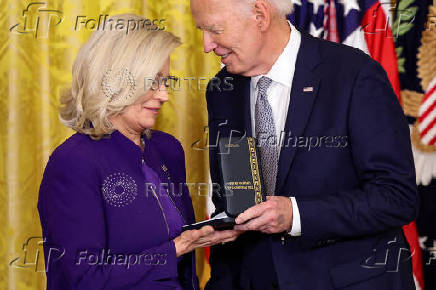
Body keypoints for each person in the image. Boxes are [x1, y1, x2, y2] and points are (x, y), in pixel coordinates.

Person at [190, 0, 419, 289]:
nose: (206, 45)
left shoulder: (354, 74)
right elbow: (233, 205)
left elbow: (396, 197)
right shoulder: (222, 90)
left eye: (214, 30)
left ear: (259, 15)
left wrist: (295, 215)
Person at [37, 13, 238, 290]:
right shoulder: (72, 164)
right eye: (152, 81)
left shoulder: (167, 149)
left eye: (166, 81)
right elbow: (84, 280)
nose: (164, 95)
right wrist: (178, 247)